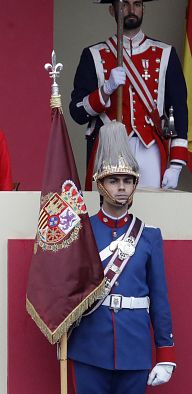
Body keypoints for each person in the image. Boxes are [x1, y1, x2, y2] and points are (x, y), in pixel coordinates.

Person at [68, 122, 175, 393]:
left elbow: (159, 298)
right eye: (114, 181)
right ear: (101, 184)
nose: (122, 188)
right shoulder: (82, 231)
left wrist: (165, 354)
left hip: (135, 348)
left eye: (127, 181)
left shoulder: (149, 236)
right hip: (90, 347)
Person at [70, 0, 188, 190]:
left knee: (152, 208)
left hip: (150, 147)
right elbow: (78, 112)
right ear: (111, 9)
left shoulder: (165, 53)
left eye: (137, 4)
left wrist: (176, 163)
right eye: (124, 4)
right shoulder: (93, 54)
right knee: (107, 207)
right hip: (109, 146)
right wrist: (105, 90)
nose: (132, 10)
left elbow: (179, 111)